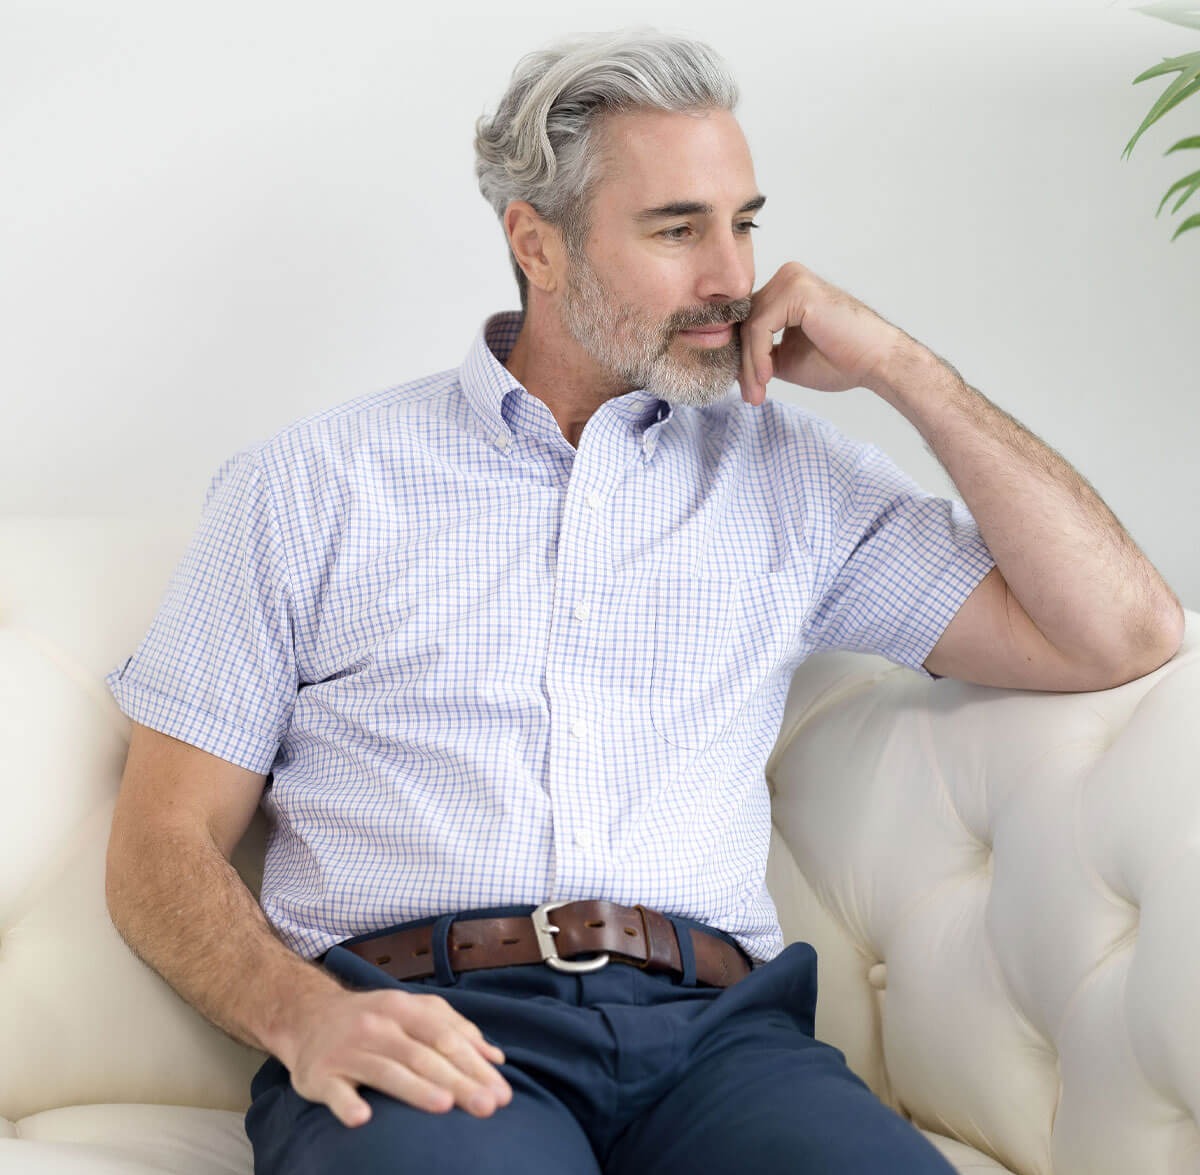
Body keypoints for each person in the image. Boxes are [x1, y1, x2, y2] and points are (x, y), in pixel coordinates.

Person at [104, 28, 1183, 1175]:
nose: (732, 275)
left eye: (743, 222)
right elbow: (161, 842)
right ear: (537, 243)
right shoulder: (309, 485)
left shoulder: (791, 476)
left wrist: (901, 369)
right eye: (677, 230)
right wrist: (302, 1013)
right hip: (432, 1028)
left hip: (720, 1042)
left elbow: (1122, 632)